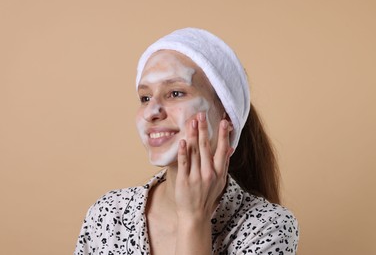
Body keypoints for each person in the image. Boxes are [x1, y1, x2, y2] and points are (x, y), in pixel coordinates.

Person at [74, 27, 299, 255]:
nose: (152, 111)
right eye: (145, 97)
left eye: (175, 93)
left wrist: (194, 218)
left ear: (227, 115)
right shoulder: (109, 214)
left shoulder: (268, 227)